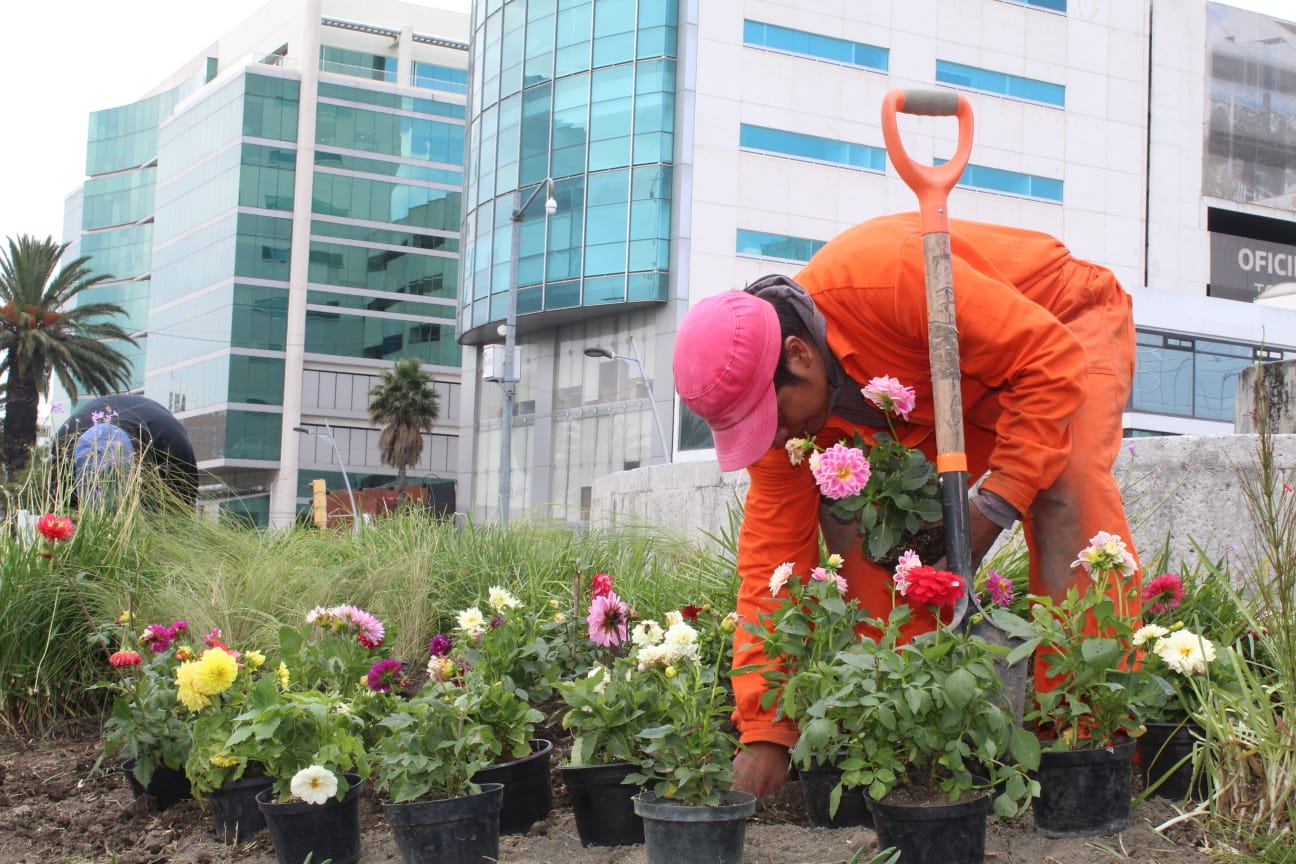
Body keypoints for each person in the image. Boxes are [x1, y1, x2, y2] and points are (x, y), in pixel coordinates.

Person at [672, 212, 1143, 798]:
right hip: (932, 388)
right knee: (861, 523)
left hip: (1055, 328)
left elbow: (1046, 363)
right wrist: (767, 733)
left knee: (1064, 488)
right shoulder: (780, 421)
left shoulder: (889, 277)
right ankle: (909, 722)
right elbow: (773, 566)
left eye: (770, 420)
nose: (771, 441)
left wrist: (995, 502)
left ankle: (1086, 727)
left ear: (797, 356)